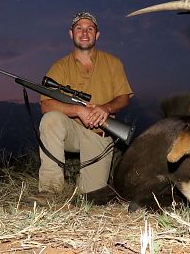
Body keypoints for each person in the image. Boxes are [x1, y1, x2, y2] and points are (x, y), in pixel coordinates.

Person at [31, 12, 133, 202]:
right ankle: (50, 190)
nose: (84, 33)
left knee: (90, 198)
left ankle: (81, 184)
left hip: (99, 135)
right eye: (79, 28)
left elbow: (124, 98)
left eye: (90, 29)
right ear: (71, 34)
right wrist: (78, 110)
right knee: (50, 119)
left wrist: (106, 108)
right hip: (72, 131)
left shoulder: (113, 63)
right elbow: (45, 105)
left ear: (97, 35)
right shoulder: (59, 67)